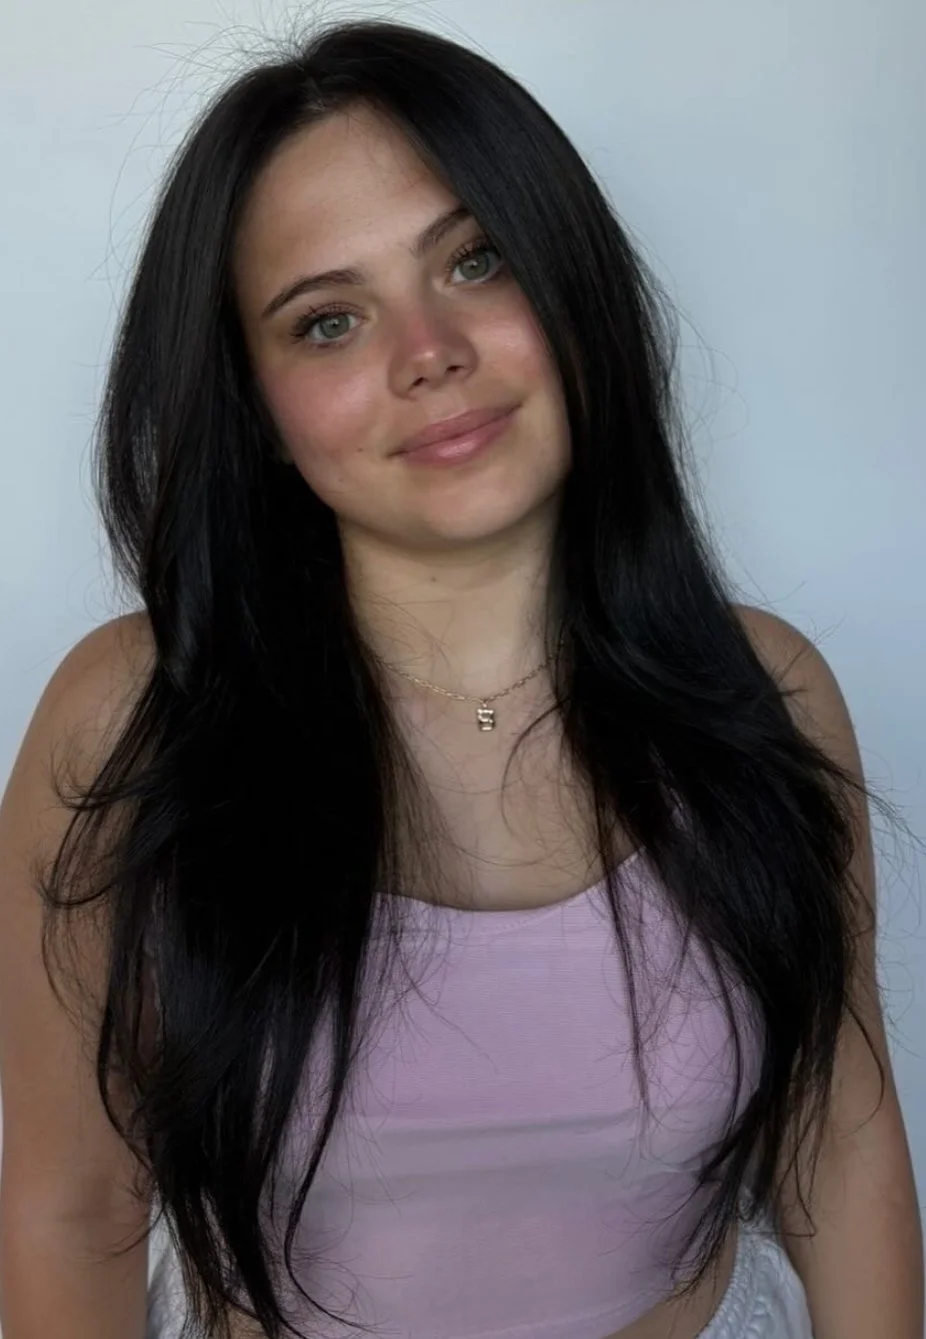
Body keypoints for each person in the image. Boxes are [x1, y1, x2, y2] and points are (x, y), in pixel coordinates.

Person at [0, 16, 921, 1339]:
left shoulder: (762, 692)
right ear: (251, 403)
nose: (425, 351)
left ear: (568, 281)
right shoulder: (129, 719)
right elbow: (73, 1208)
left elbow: (837, 1149)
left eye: (473, 259)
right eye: (326, 321)